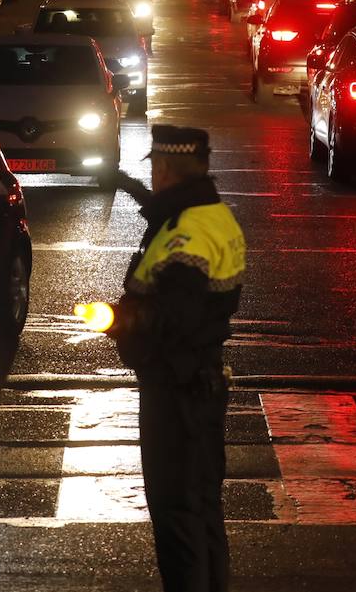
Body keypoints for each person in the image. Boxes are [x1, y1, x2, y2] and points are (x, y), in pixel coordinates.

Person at [107, 124, 246, 592]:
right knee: (203, 508)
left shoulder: (186, 234)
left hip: (175, 389)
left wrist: (117, 318)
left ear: (165, 170)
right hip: (202, 384)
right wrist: (139, 196)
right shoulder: (212, 216)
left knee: (176, 515)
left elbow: (175, 313)